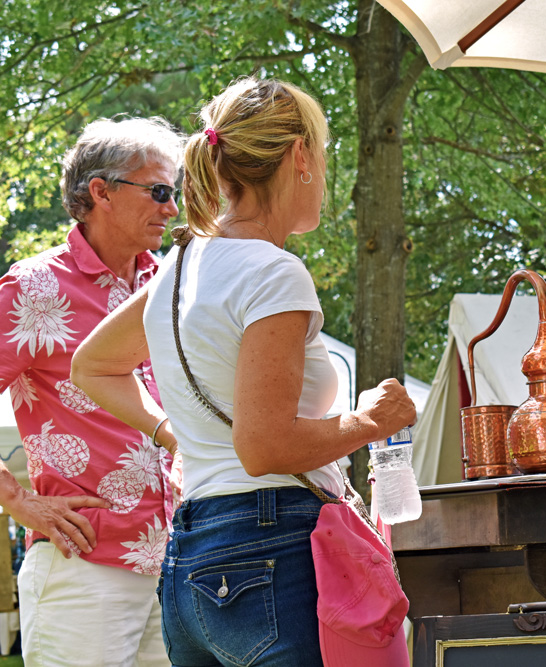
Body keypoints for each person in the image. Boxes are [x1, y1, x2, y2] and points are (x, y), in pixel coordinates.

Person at [72, 77, 416, 666]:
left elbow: (93, 365)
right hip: (271, 545)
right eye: (323, 153)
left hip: (192, 555)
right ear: (300, 157)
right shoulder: (273, 272)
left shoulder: (177, 267)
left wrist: (174, 433)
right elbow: (264, 446)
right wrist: (368, 421)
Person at [0, 116, 184, 665]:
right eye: (159, 190)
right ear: (100, 192)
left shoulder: (172, 284)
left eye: (173, 192)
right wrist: (20, 504)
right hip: (82, 566)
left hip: (177, 564)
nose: (172, 208)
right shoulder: (33, 287)